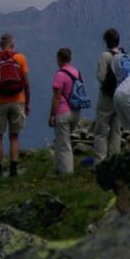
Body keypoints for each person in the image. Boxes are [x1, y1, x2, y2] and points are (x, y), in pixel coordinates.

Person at [0, 33, 31, 178]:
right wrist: (27, 103)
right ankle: (13, 169)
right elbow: (26, 83)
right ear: (12, 45)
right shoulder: (21, 58)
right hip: (18, 100)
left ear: (0, 45)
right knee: (14, 136)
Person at [49, 47, 81, 175]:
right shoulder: (76, 72)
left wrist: (52, 114)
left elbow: (57, 96)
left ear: (59, 59)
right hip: (76, 111)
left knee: (64, 144)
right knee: (61, 141)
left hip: (63, 112)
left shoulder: (59, 75)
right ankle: (58, 168)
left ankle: (67, 173)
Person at [93, 28, 123, 163]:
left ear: (106, 41)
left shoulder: (105, 56)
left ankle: (100, 162)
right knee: (116, 131)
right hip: (121, 96)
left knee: (101, 130)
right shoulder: (123, 55)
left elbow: (101, 76)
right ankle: (115, 160)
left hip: (107, 96)